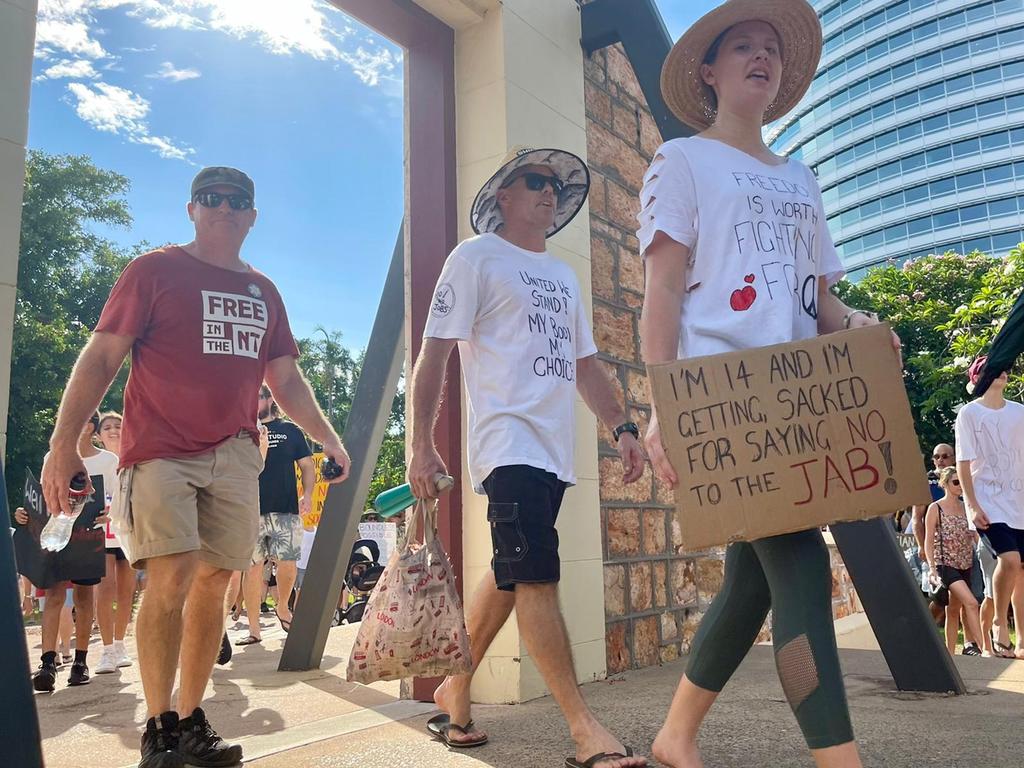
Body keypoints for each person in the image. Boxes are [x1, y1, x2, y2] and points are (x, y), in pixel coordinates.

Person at [637, 3, 904, 766]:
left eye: (772, 51)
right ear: (709, 73)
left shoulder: (802, 178)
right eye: (742, 47)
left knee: (750, 586)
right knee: (799, 564)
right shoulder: (680, 161)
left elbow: (818, 303)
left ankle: (675, 736)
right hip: (720, 401)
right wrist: (665, 409)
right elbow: (661, 291)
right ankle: (839, 759)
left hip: (795, 400)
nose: (762, 57)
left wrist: (859, 324)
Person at [40, 166, 351, 768]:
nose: (224, 208)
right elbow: (103, 354)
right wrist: (62, 444)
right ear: (191, 209)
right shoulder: (154, 271)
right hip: (159, 449)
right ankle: (157, 728)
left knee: (215, 580)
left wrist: (329, 440)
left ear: (252, 216)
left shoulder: (264, 290)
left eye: (238, 201)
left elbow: (284, 377)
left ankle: (190, 718)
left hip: (235, 454)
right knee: (173, 574)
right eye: (212, 198)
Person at [408, 145, 647, 768]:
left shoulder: (563, 276)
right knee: (538, 573)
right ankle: (583, 728)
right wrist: (420, 444)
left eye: (555, 185)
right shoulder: (475, 257)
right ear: (502, 199)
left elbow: (584, 366)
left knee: (513, 573)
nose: (549, 191)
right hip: (506, 442)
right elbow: (432, 357)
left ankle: (455, 687)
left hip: (553, 449)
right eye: (533, 181)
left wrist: (621, 425)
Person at [17, 412, 116, 690]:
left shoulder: (108, 461)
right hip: (57, 532)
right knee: (54, 594)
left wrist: (110, 514)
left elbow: (118, 496)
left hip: (89, 536)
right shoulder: (52, 457)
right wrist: (25, 512)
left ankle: (80, 661)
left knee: (85, 597)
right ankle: (47, 663)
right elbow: (40, 494)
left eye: (80, 420)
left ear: (90, 426)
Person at [955, 355, 1024, 659]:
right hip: (988, 504)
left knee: (1021, 571)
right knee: (1009, 561)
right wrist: (971, 505)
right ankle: (999, 624)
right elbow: (963, 463)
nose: (1002, 373)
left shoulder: (1019, 413)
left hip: (1019, 502)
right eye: (992, 369)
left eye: (1005, 368)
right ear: (977, 378)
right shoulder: (969, 414)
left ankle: (1021, 641)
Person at [235, 384, 313, 646]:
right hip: (251, 509)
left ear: (270, 399)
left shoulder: (291, 431)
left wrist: (309, 495)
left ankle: (282, 606)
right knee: (253, 568)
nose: (252, 401)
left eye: (257, 396)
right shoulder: (243, 431)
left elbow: (306, 465)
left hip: (286, 508)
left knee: (287, 563)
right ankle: (254, 629)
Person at [913, 443, 983, 650]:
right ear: (945, 484)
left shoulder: (966, 507)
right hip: (946, 564)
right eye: (956, 482)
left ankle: (952, 655)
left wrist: (977, 540)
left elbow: (974, 535)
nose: (960, 485)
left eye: (962, 482)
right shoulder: (936, 508)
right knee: (971, 603)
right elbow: (926, 536)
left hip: (965, 562)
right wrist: (932, 567)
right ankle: (985, 647)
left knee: (954, 609)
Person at [92, 410, 138, 674]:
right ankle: (106, 650)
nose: (113, 429)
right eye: (107, 426)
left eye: (118, 425)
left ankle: (120, 644)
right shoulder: (95, 461)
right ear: (98, 435)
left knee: (126, 590)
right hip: (102, 531)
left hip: (129, 529)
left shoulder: (135, 458)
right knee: (105, 587)